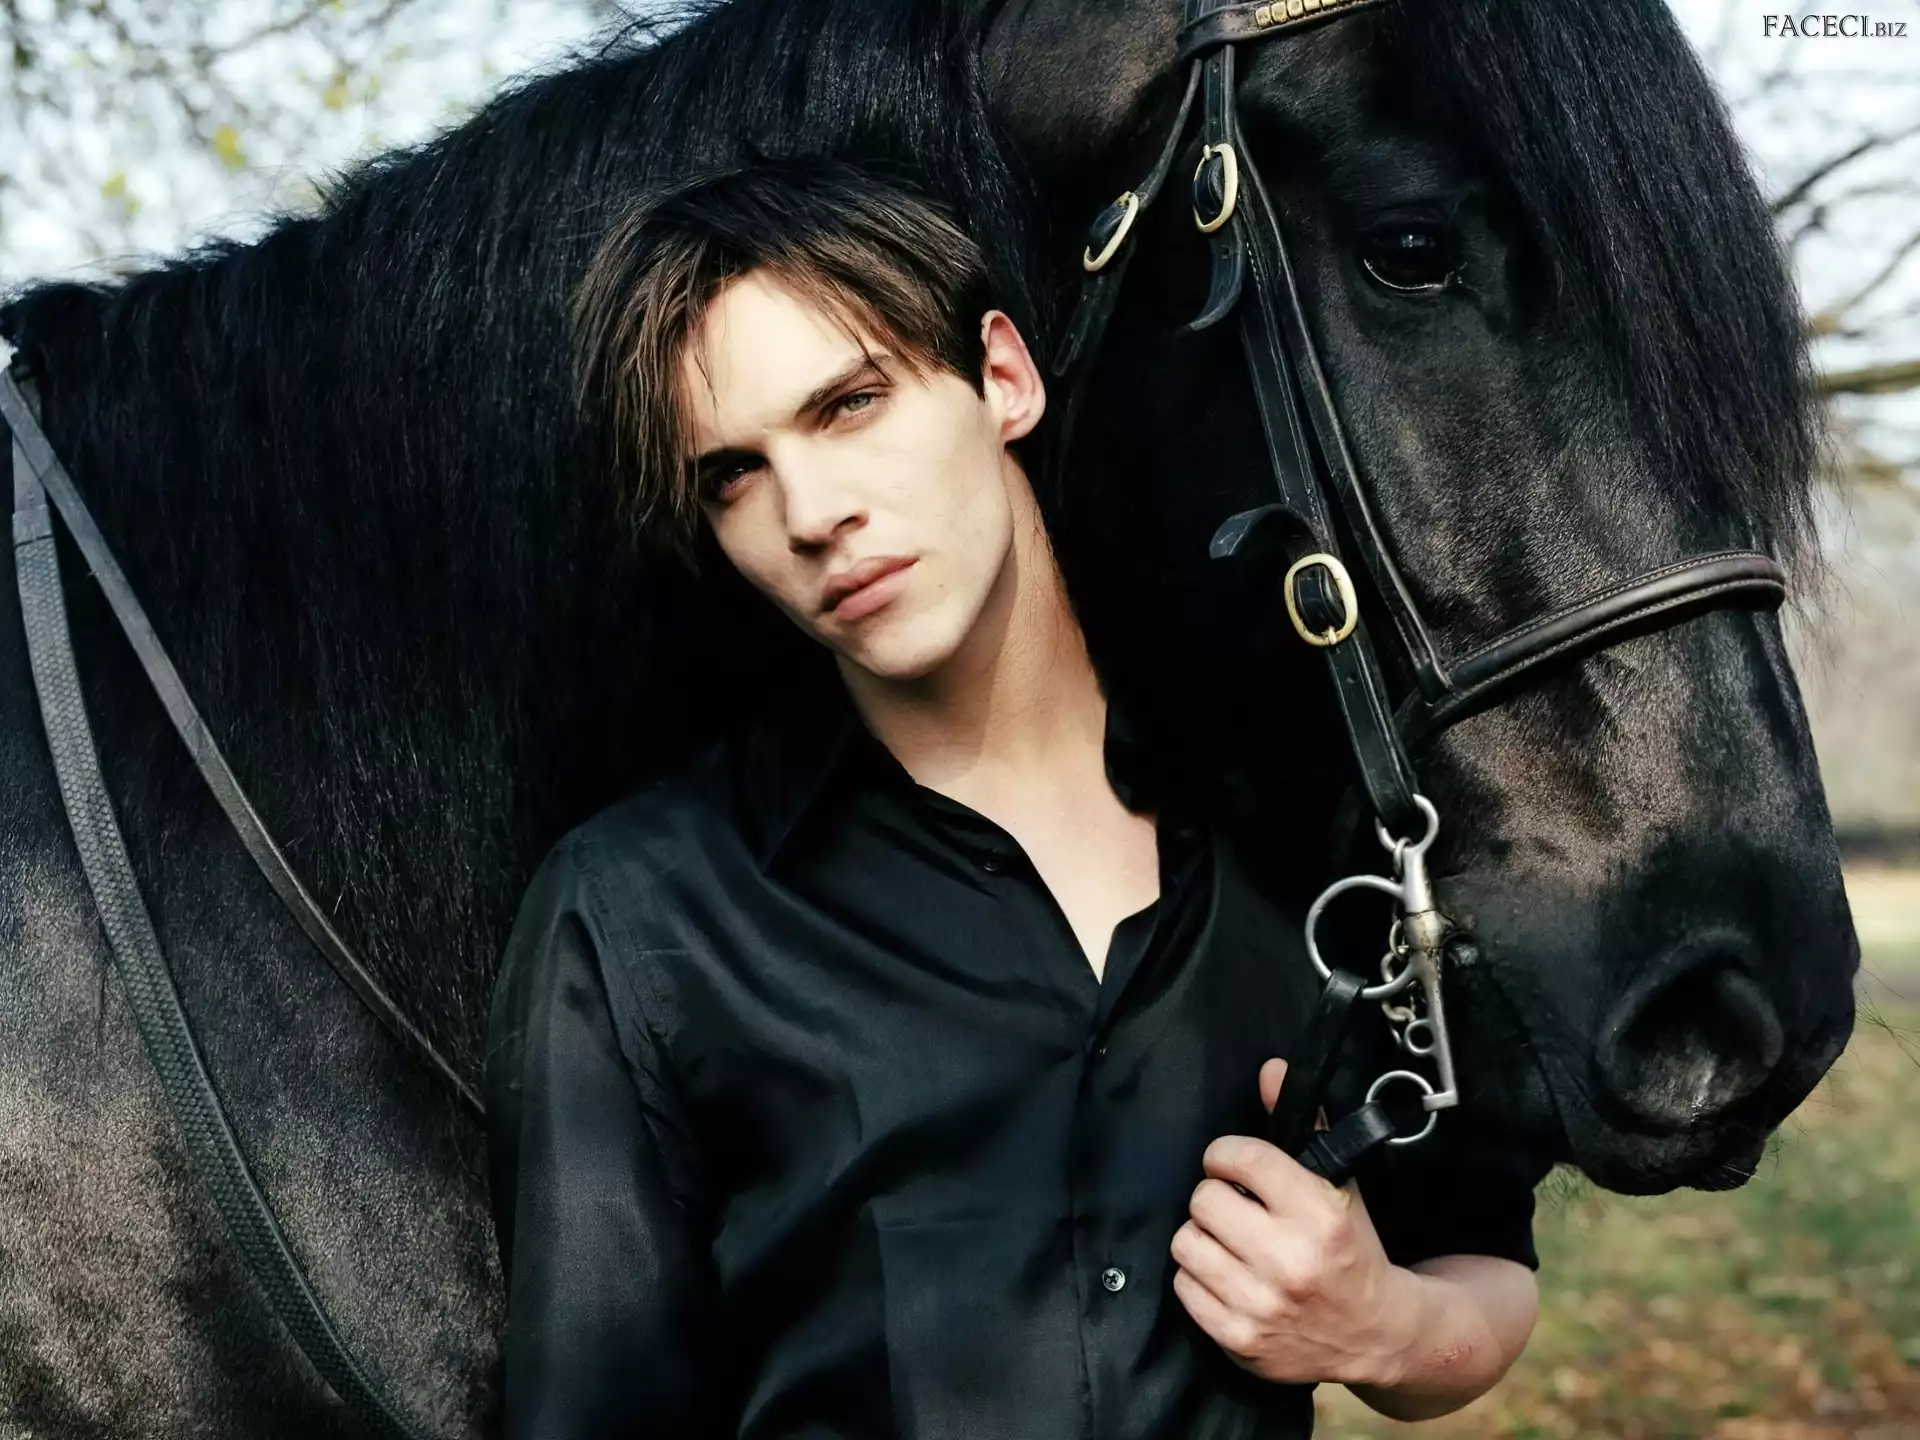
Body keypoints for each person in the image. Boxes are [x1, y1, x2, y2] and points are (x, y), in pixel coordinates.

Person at [485, 156, 1543, 1439]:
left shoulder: (1295, 834)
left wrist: (1385, 1326)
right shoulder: (640, 914)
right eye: (734, 475)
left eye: (850, 404)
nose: (811, 513)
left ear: (1002, 377)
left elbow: (1482, 1258)